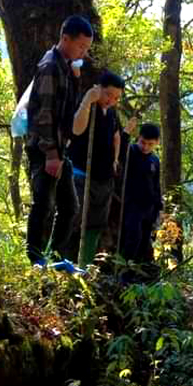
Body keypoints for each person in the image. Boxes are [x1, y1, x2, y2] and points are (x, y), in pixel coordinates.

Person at [25, 15, 93, 265]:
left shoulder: (66, 66)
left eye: (86, 48)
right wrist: (51, 154)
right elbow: (43, 114)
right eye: (80, 46)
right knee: (43, 204)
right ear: (65, 38)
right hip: (45, 148)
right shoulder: (50, 66)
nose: (84, 52)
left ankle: (52, 257)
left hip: (59, 150)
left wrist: (75, 77)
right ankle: (34, 259)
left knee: (69, 208)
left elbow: (67, 108)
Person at [63, 71, 125, 265]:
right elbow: (76, 129)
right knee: (71, 219)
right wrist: (87, 102)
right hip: (80, 174)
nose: (111, 100)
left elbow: (116, 136)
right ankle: (59, 265)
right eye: (107, 94)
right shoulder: (87, 105)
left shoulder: (112, 113)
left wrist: (115, 159)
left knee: (95, 224)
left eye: (116, 97)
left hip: (104, 178)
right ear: (99, 89)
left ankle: (84, 267)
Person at [120, 122, 162, 267]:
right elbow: (119, 152)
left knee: (146, 240)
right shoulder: (130, 151)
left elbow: (156, 185)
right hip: (132, 204)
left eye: (150, 144)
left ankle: (139, 270)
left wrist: (159, 207)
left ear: (156, 143)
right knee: (133, 236)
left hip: (149, 207)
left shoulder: (155, 160)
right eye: (143, 142)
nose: (145, 147)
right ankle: (125, 267)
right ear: (138, 138)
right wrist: (125, 134)